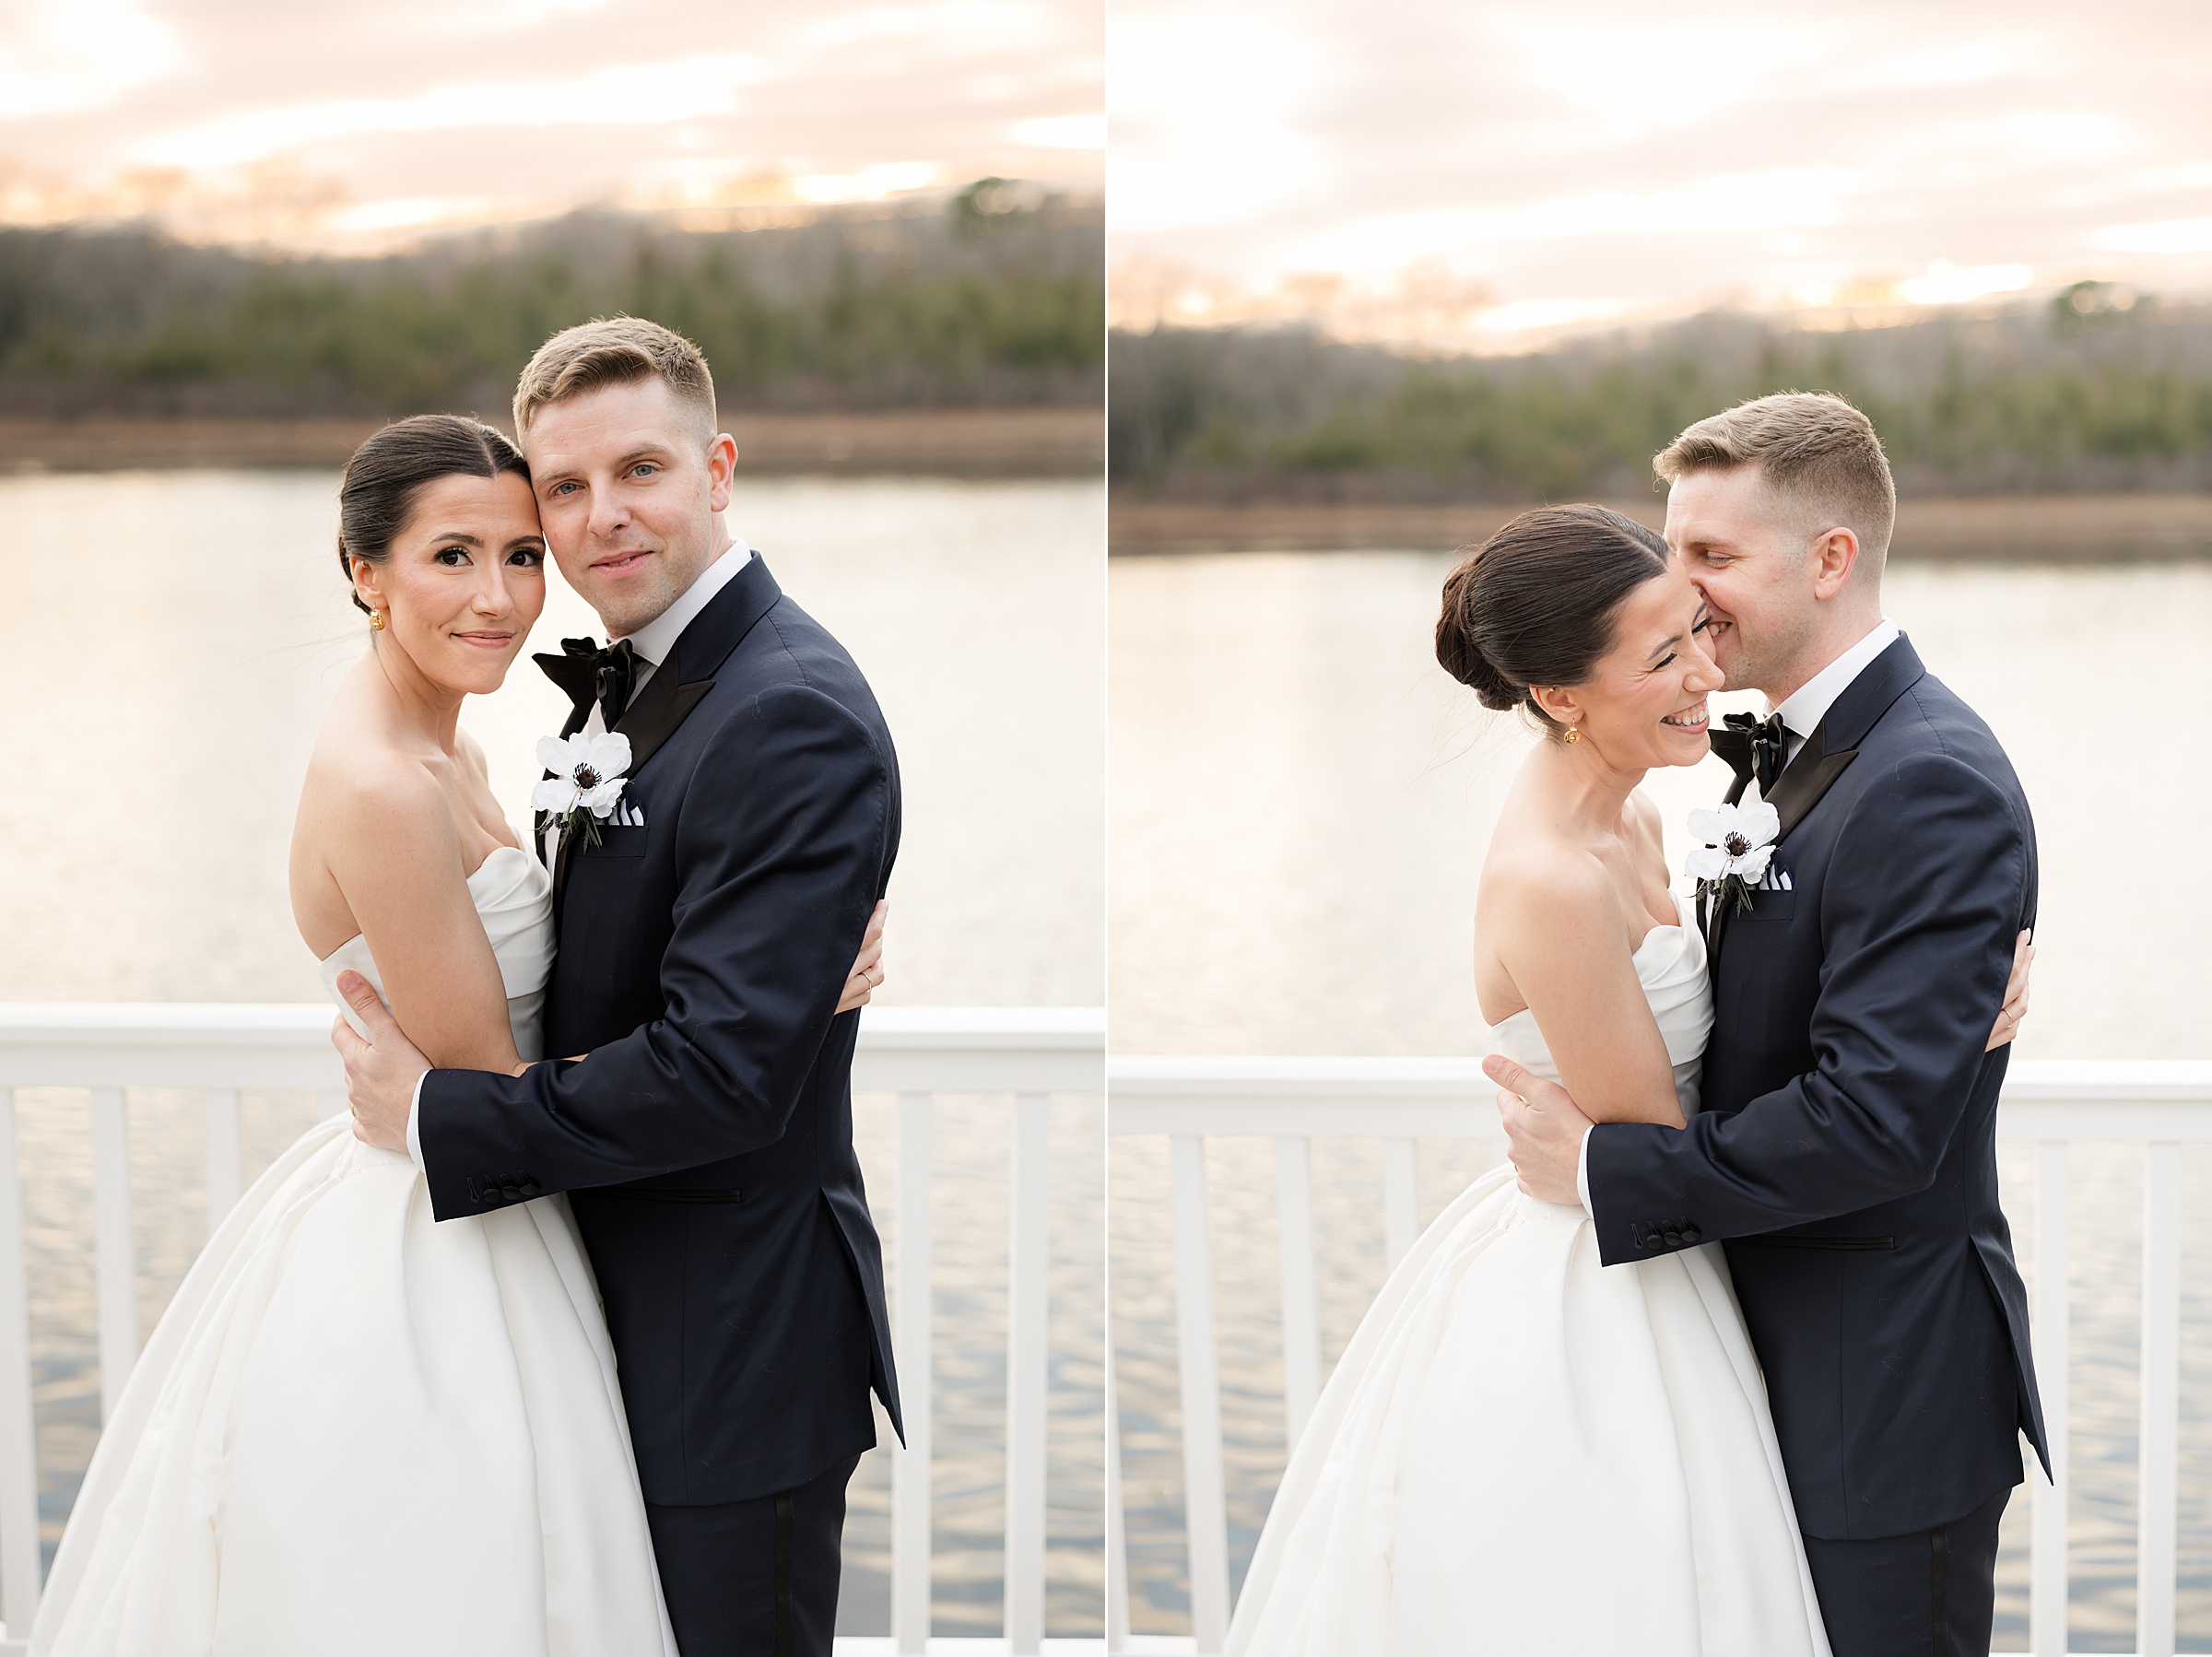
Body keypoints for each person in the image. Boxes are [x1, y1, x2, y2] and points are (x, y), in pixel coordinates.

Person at [30, 408, 884, 1656]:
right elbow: (491, 1077)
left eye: (522, 555)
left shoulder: (455, 743)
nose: (500, 596)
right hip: (442, 1251)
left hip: (516, 1200)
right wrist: (768, 1004)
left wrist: (780, 961)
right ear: (365, 571)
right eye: (452, 557)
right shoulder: (382, 785)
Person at [1225, 489, 2030, 1654]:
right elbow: (1655, 1129)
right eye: (1666, 651)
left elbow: (1755, 1022)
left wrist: (1938, 1007)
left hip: (1690, 1257)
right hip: (1602, 1289)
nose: (1707, 666)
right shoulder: (1555, 878)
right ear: (1559, 694)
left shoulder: (1645, 813)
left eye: (1698, 622)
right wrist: (1918, 1038)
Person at [335, 317, 902, 1657]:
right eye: (565, 491)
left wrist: (437, 1114)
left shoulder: (786, 708)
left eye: (639, 470)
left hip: (726, 1347)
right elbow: (658, 969)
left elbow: (720, 1075)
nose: (602, 520)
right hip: (600, 1311)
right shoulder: (644, 683)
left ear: (717, 467)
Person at [1492, 394, 2044, 1657]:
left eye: (1713, 558)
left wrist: (1597, 1164)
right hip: (1744, 1360)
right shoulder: (1781, 753)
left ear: (1831, 558)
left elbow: (1874, 1121)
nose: (1678, 591)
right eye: (1673, 548)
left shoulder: (1929, 779)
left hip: (1875, 1395)